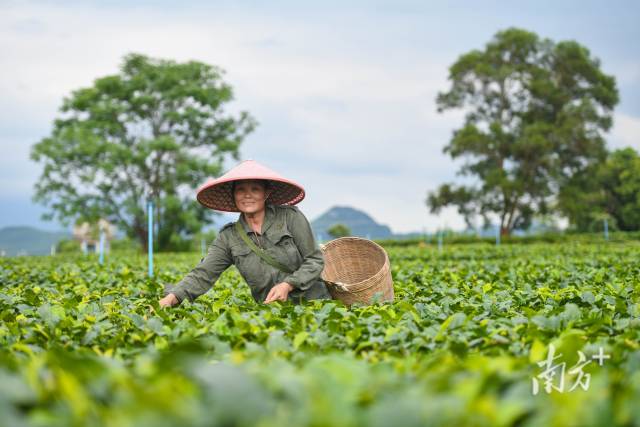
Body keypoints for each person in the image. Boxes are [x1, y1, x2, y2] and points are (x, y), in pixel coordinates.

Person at [159, 160, 332, 307]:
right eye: (241, 189)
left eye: (255, 189)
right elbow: (203, 274)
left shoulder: (290, 218)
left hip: (314, 305)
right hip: (271, 312)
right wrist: (169, 300)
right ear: (234, 195)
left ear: (266, 193)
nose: (247, 195)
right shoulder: (229, 236)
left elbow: (315, 260)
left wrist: (288, 284)